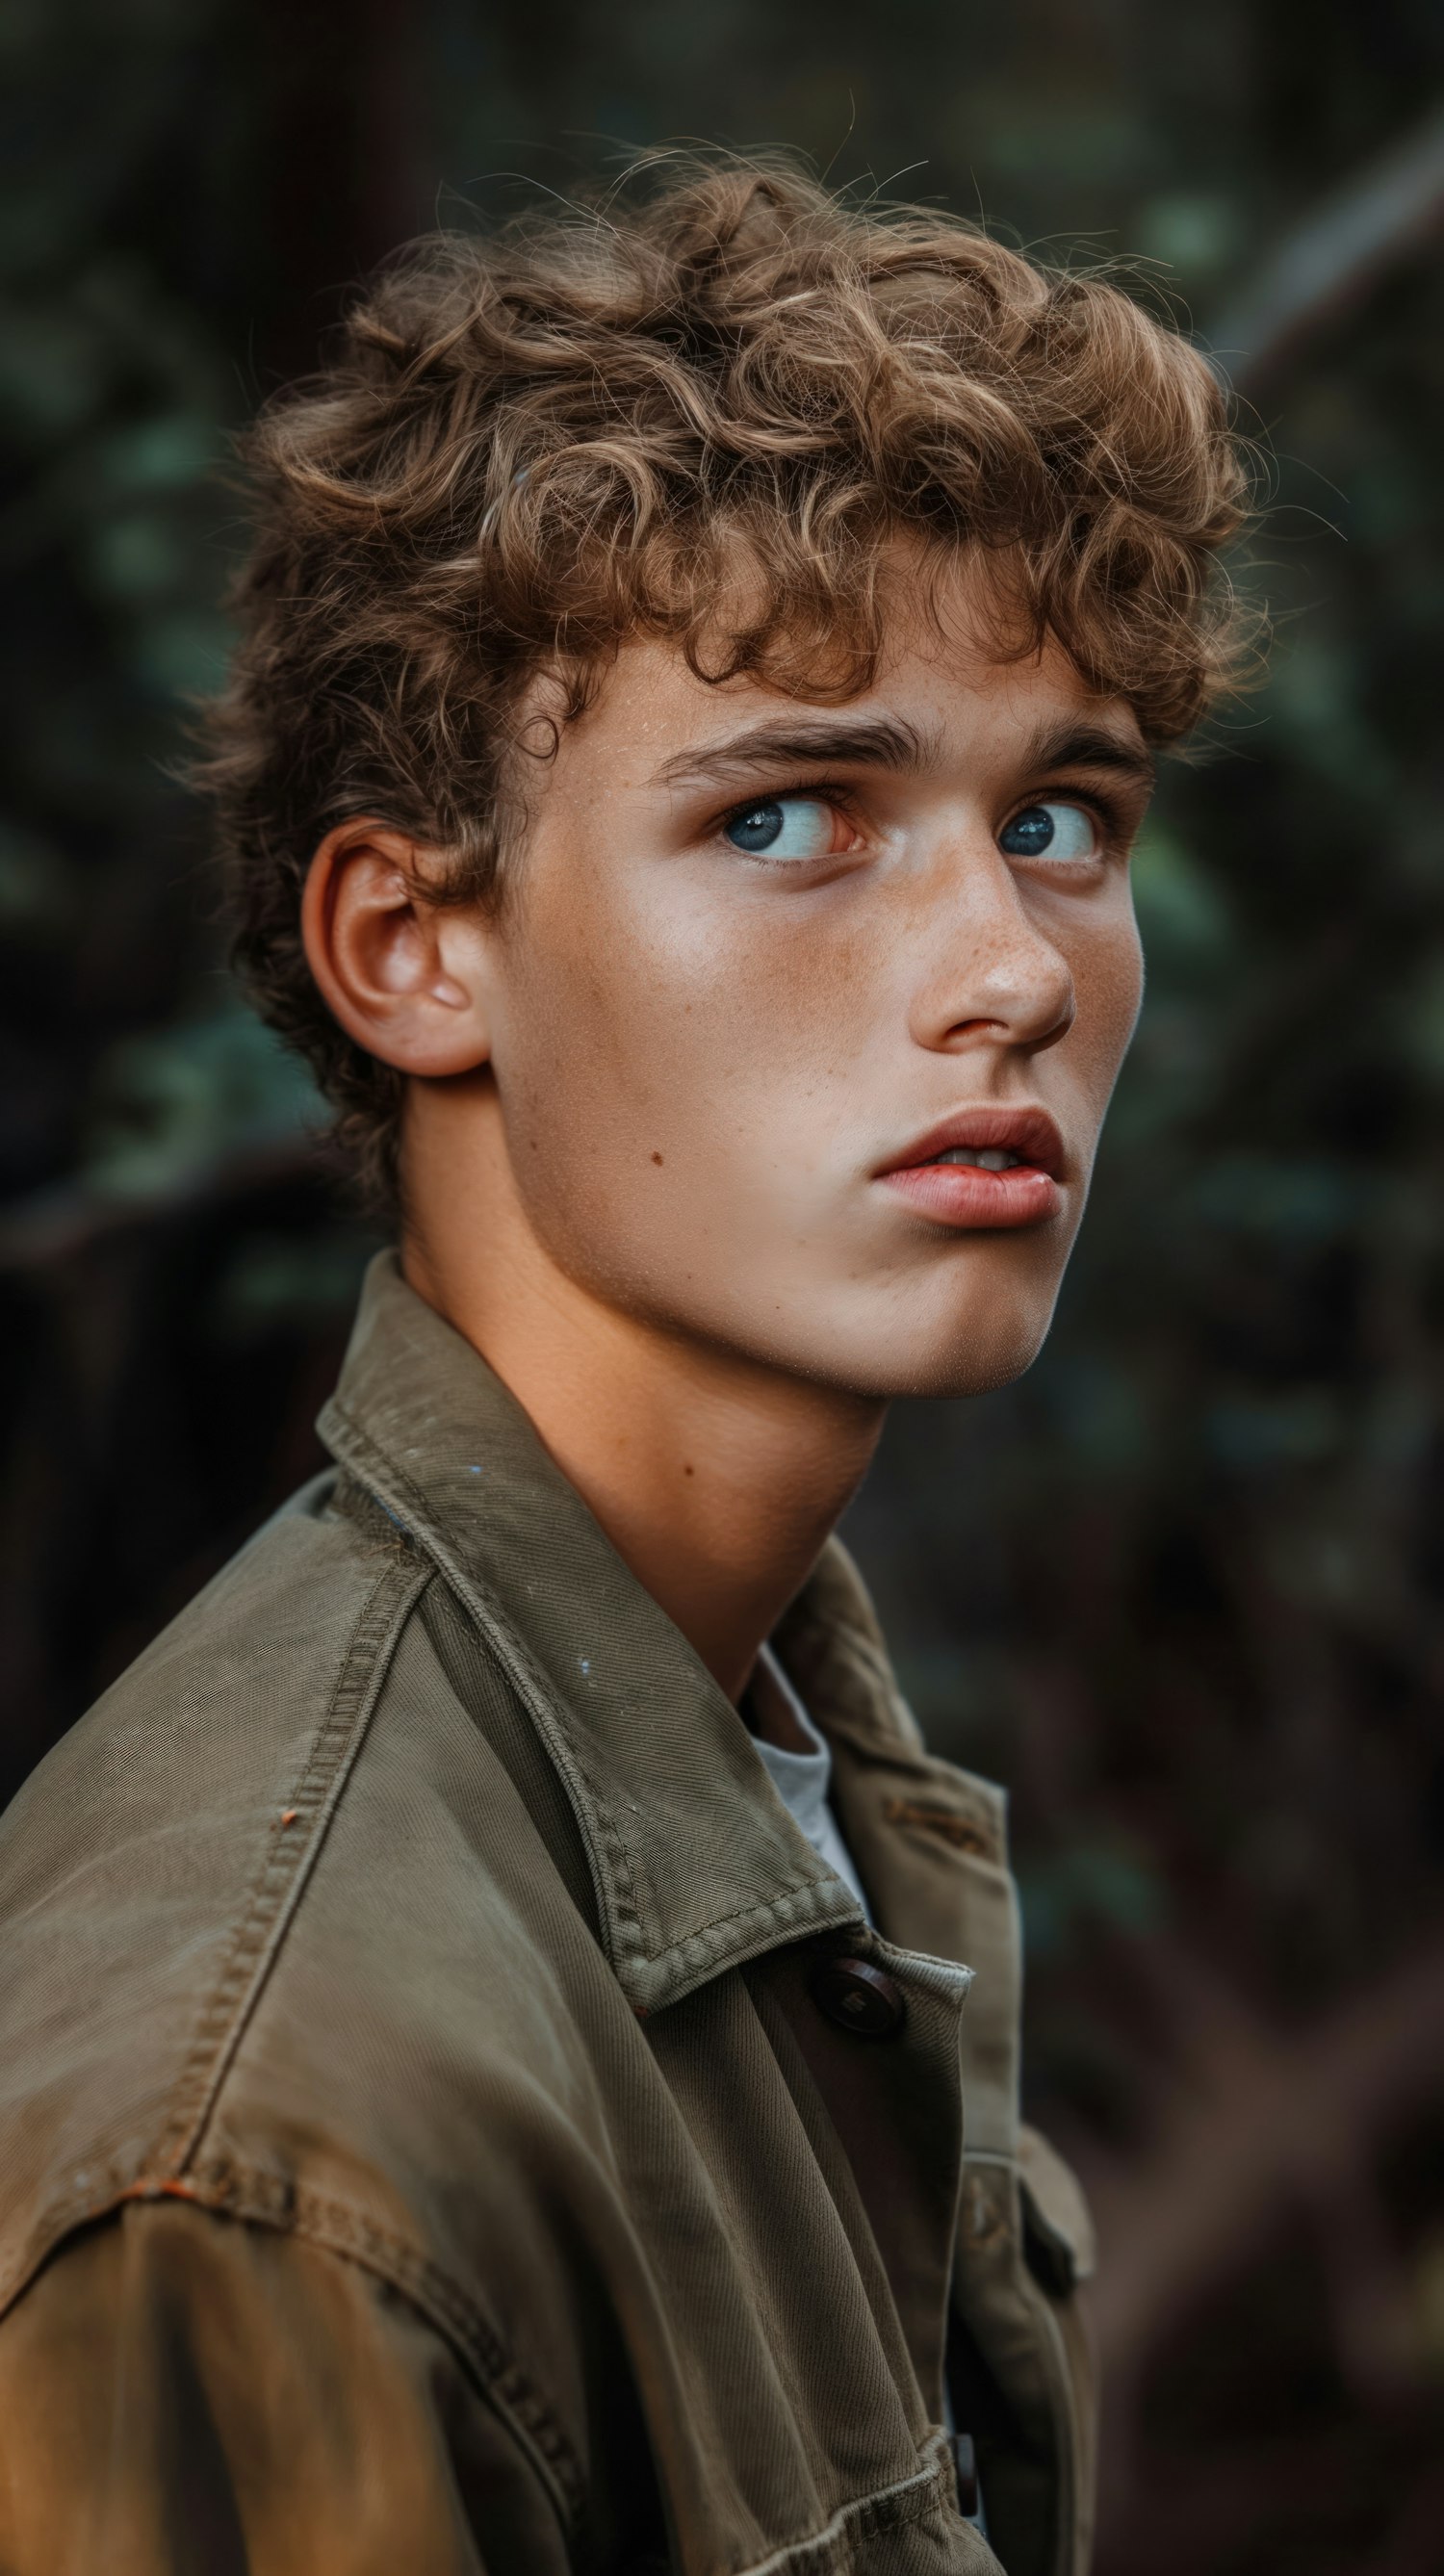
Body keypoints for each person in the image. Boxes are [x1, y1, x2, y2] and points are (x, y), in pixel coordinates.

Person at [0, 158, 1249, 2574]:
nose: (1005, 968)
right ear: (410, 949)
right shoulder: (262, 2145)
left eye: (1062, 818)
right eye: (793, 813)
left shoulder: (794, 1795)